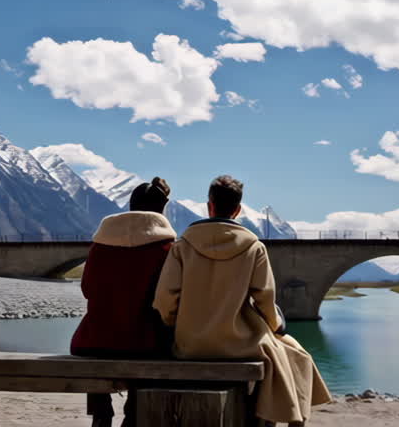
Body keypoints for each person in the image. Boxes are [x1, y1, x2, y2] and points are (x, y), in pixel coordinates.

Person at [153, 175, 331, 425]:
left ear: (209, 205)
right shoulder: (253, 247)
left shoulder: (182, 246)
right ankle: (279, 418)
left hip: (189, 345)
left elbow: (165, 300)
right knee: (295, 354)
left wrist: (176, 324)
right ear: (237, 210)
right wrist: (275, 324)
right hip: (240, 345)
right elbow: (265, 300)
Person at [71, 177, 176, 426]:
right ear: (163, 210)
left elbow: (87, 289)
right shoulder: (167, 249)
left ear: (130, 205)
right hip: (145, 344)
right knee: (157, 345)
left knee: (98, 338)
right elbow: (170, 299)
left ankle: (101, 412)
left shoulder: (100, 245)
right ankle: (132, 414)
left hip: (93, 342)